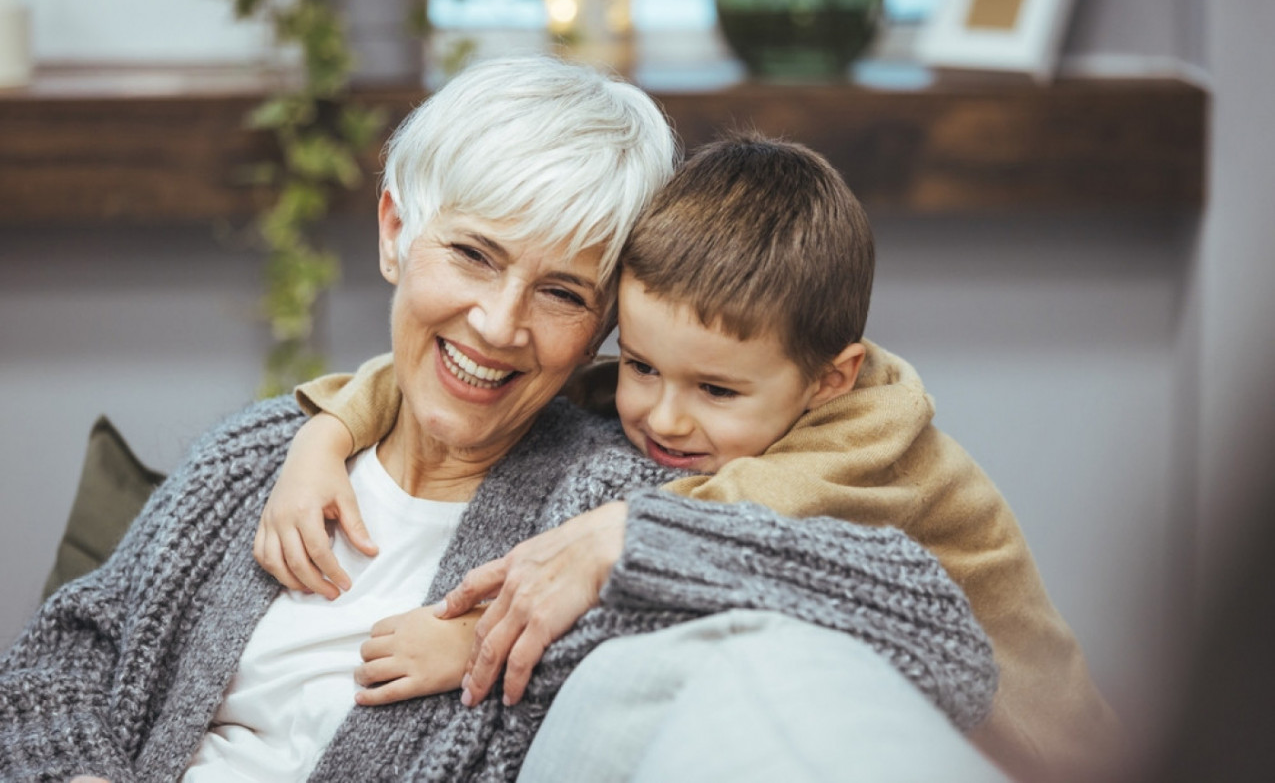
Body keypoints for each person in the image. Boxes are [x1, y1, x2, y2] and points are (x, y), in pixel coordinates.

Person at [0, 58, 997, 782]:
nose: (500, 323)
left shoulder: (612, 494)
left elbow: (936, 634)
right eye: (473, 255)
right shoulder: (260, 455)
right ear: (397, 232)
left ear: (607, 323)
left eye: (562, 292)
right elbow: (68, 651)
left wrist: (629, 541)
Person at [263, 133, 1124, 781]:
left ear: (832, 378)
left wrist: (476, 638)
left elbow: (700, 573)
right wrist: (328, 431)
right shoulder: (697, 388)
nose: (660, 417)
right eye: (639, 364)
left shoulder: (856, 448)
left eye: (714, 391)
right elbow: (511, 375)